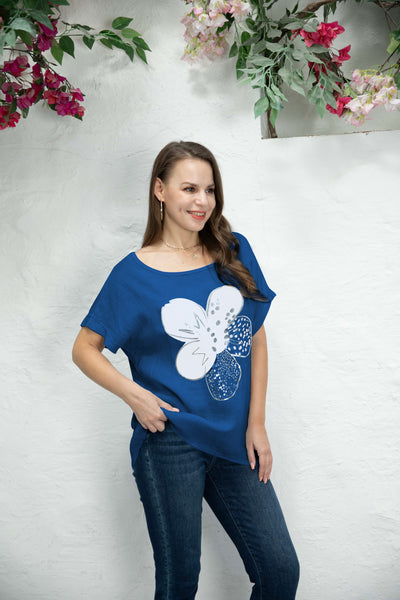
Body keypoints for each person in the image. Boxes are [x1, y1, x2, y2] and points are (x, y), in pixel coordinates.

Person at [72, 141, 299, 599]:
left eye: (209, 190)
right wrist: (135, 396)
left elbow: (254, 336)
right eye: (189, 188)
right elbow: (84, 349)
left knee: (279, 571)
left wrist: (256, 423)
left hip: (235, 439)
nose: (202, 201)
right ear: (160, 190)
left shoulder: (234, 250)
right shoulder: (132, 275)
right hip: (170, 442)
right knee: (180, 583)